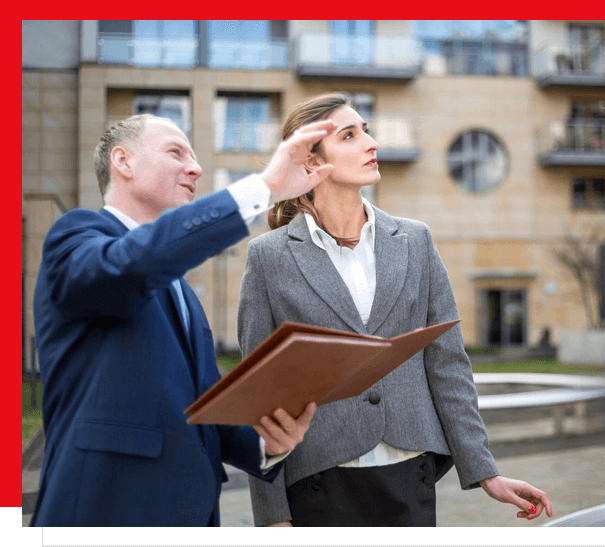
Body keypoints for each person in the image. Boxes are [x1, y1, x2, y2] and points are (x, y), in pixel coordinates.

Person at [238, 93, 553, 527]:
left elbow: (448, 367)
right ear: (311, 162)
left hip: (411, 476)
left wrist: (485, 471)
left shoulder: (415, 241)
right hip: (318, 484)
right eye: (350, 135)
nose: (371, 142)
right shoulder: (268, 257)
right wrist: (272, 516)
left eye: (365, 129)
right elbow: (262, 396)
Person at [30, 113, 338, 527]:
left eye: (194, 157)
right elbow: (132, 266)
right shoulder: (76, 236)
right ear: (123, 162)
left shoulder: (183, 293)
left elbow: (202, 410)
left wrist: (267, 441)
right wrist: (264, 188)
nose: (195, 168)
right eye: (176, 152)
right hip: (106, 508)